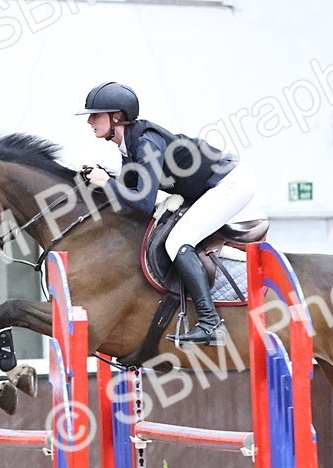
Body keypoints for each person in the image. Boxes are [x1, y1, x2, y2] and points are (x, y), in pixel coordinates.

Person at [78, 81, 255, 346]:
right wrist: (102, 180)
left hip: (229, 183)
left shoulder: (146, 143)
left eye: (96, 114)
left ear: (117, 117)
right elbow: (128, 191)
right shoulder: (129, 146)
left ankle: (210, 323)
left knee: (177, 241)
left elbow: (143, 203)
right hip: (203, 188)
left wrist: (107, 182)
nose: (90, 120)